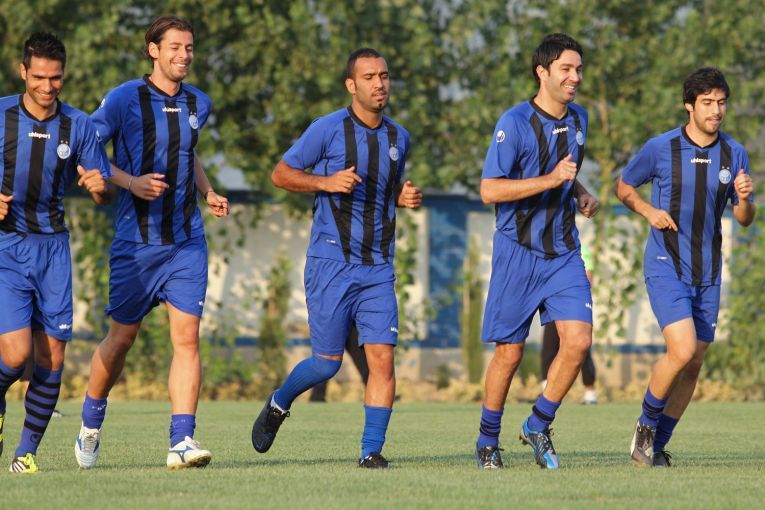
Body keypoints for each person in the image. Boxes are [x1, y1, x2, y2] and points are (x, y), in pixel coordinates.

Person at [252, 47, 422, 468]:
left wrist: (402, 197)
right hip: (331, 264)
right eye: (369, 77)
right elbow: (280, 174)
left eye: (384, 76)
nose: (379, 84)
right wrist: (325, 182)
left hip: (378, 267)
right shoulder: (327, 129)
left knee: (382, 358)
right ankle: (279, 402)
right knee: (326, 364)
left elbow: (384, 190)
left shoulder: (399, 138)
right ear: (351, 85)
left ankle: (371, 451)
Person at [74, 16, 229, 470]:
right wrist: (130, 182)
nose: (184, 55)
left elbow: (188, 151)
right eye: (175, 47)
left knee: (187, 339)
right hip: (136, 244)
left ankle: (182, 440)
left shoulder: (199, 101)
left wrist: (208, 191)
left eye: (189, 47)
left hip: (186, 242)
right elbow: (88, 149)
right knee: (121, 339)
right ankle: (90, 423)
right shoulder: (125, 98)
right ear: (153, 50)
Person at [616, 67, 755, 467]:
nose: (716, 110)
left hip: (708, 271)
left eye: (721, 102)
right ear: (689, 106)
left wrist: (746, 198)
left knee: (694, 363)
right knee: (682, 349)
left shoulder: (734, 153)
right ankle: (644, 429)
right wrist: (648, 211)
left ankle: (657, 445)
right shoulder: (661, 148)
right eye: (707, 102)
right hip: (666, 263)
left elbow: (744, 218)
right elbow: (624, 187)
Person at [474, 33, 599, 470]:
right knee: (509, 353)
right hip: (518, 251)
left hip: (563, 251)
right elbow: (489, 190)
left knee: (578, 342)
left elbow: (566, 171)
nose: (575, 77)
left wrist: (580, 192)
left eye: (578, 69)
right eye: (566, 69)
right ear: (542, 72)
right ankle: (487, 441)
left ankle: (537, 424)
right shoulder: (513, 122)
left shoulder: (580, 118)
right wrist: (551, 180)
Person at [0, 32, 110, 473]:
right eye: (39, 77)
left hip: (53, 252)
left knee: (53, 359)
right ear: (23, 72)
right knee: (15, 356)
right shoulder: (2, 116)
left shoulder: (78, 125)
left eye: (56, 78)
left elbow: (103, 188)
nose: (47, 86)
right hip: (7, 246)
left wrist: (100, 187)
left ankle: (25, 454)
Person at [540, 244, 597, 405]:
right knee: (548, 348)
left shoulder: (582, 249)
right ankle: (546, 392)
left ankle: (590, 392)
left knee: (581, 347)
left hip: (573, 306)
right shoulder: (550, 247)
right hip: (554, 304)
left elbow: (588, 278)